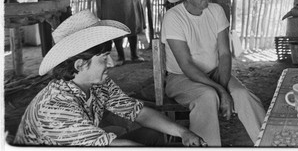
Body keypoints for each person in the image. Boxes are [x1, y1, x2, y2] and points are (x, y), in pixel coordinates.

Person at [13, 10, 205, 146]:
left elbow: (139, 113)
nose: (112, 64)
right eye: (104, 58)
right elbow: (113, 145)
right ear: (80, 65)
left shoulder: (96, 84)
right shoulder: (55, 108)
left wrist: (183, 132)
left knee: (152, 135)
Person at [161, 0, 265, 146]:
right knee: (208, 96)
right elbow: (186, 65)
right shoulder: (173, 17)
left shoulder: (216, 11)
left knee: (242, 94)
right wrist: (220, 91)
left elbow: (225, 54)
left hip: (216, 74)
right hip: (182, 78)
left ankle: (269, 143)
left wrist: (223, 88)